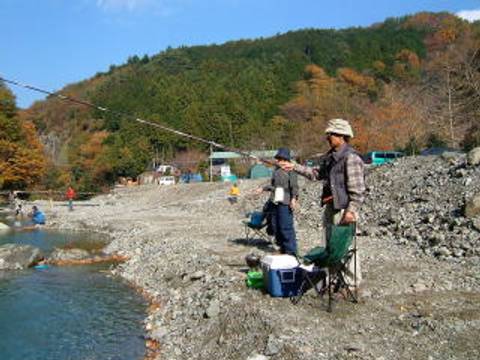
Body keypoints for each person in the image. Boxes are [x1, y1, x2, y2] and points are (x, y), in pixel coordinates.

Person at [280, 118, 365, 287]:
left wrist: (351, 211)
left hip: (343, 210)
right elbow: (315, 174)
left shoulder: (351, 158)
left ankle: (351, 284)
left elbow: (358, 190)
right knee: (332, 248)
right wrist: (294, 167)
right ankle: (336, 278)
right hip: (331, 208)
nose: (327, 137)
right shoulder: (331, 157)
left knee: (345, 247)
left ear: (341, 136)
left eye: (331, 134)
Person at [261, 148, 299, 255]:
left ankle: (291, 251)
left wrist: (294, 199)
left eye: (281, 159)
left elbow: (295, 187)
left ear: (285, 159)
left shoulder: (291, 170)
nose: (279, 161)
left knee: (285, 227)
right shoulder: (276, 171)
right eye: (278, 159)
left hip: (286, 201)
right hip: (275, 200)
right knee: (275, 225)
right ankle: (281, 248)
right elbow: (273, 186)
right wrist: (263, 189)